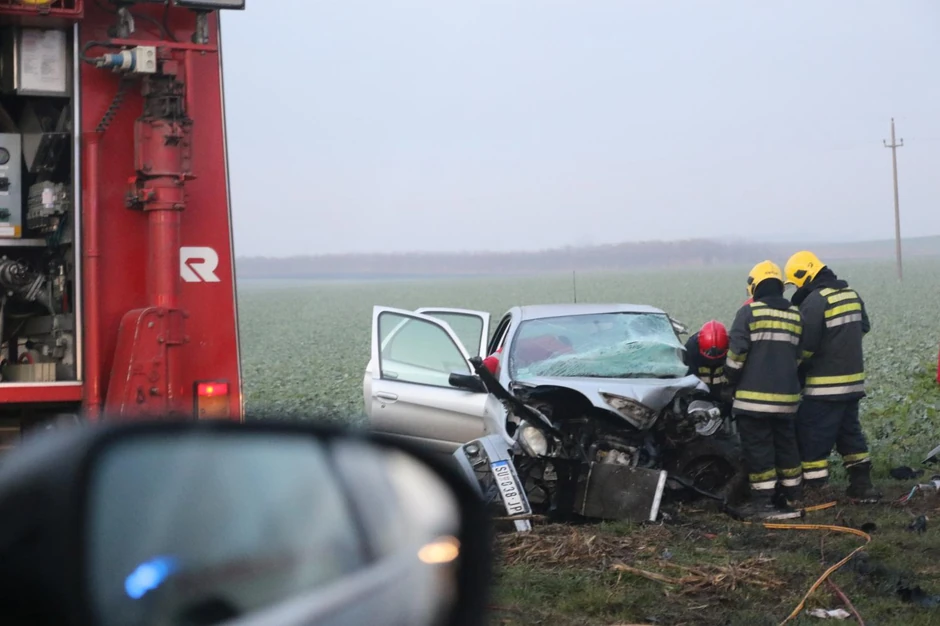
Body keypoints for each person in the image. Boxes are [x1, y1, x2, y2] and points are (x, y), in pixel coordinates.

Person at [784, 251, 881, 503]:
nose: (796, 288)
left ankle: (815, 490)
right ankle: (862, 485)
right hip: (853, 384)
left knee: (813, 435)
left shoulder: (816, 300)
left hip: (824, 388)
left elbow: (806, 346)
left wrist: (792, 368)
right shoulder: (851, 294)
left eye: (795, 282)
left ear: (803, 275)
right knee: (850, 434)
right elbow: (864, 327)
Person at [725, 261, 804, 520]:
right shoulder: (795, 314)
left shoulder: (749, 313)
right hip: (788, 400)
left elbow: (737, 355)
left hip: (753, 401)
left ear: (754, 286)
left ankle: (763, 502)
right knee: (786, 447)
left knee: (759, 450)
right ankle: (792, 496)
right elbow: (799, 356)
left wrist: (730, 379)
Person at [684, 320, 731, 408]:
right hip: (698, 398)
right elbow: (688, 378)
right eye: (708, 353)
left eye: (718, 352)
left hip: (723, 397)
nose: (713, 359)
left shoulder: (734, 348)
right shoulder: (691, 350)